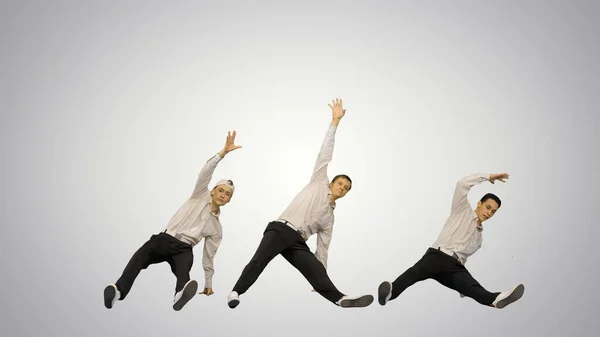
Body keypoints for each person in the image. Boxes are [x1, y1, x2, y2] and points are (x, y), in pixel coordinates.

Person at [226, 98, 373, 309]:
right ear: (331, 182)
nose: (342, 188)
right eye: (340, 183)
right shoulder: (319, 180)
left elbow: (323, 247)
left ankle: (340, 299)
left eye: (346, 188)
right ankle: (235, 292)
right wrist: (335, 122)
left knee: (314, 267)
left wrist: (319, 274)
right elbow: (325, 153)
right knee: (260, 260)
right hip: (281, 229)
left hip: (297, 241)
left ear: (346, 193)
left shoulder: (330, 218)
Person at [103, 130, 242, 311]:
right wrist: (222, 153)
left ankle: (180, 294)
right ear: (213, 190)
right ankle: (118, 291)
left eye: (227, 195)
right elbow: (206, 172)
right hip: (164, 239)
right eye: (221, 191)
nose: (223, 195)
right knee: (139, 257)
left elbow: (209, 255)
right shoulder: (199, 194)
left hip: (184, 248)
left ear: (229, 200)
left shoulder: (217, 228)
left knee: (184, 270)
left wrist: (208, 283)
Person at [378, 173, 525, 309]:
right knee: (414, 273)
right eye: (488, 207)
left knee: (473, 288)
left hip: (455, 267)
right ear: (479, 204)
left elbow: (463, 258)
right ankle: (390, 293)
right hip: (437, 256)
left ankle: (495, 300)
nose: (489, 213)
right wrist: (488, 177)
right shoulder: (461, 210)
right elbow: (462, 184)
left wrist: (463, 288)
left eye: (493, 211)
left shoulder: (479, 239)